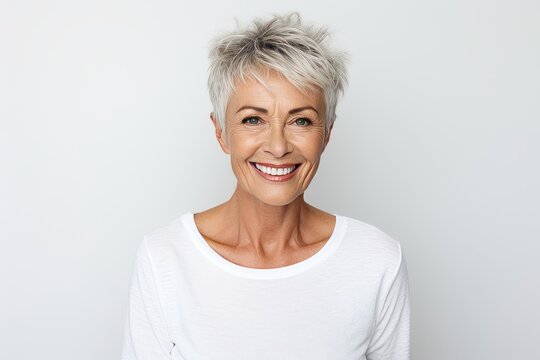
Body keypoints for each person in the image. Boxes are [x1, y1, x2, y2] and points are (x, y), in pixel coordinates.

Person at [121, 12, 410, 360]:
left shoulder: (377, 261)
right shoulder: (164, 258)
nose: (277, 146)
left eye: (301, 120)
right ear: (220, 132)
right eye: (253, 119)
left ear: (327, 134)